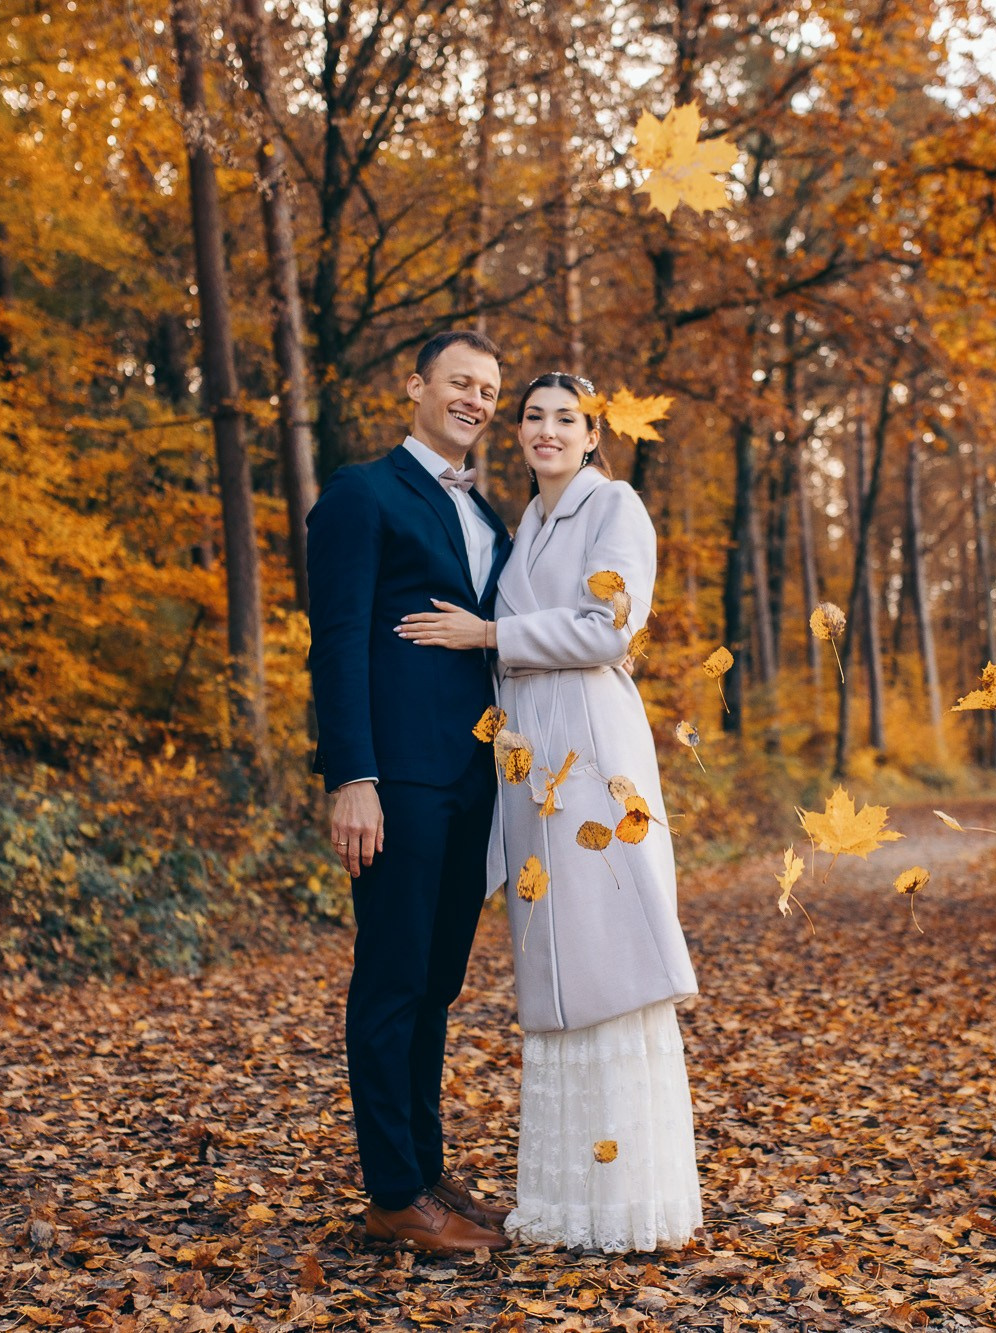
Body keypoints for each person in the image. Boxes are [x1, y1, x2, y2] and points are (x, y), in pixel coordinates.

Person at [397, 372, 703, 1253]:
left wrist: (492, 634)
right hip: (528, 754)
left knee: (605, 957)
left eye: (566, 418)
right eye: (533, 416)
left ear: (591, 431)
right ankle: (568, 1198)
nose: (546, 430)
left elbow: (610, 627)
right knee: (555, 959)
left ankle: (627, 1198)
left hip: (591, 746)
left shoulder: (617, 507)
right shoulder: (523, 520)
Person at [304, 330, 518, 1255]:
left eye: (489, 390)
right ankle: (393, 1193)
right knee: (392, 979)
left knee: (436, 983)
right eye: (460, 382)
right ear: (416, 386)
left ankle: (423, 1168)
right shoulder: (360, 493)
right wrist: (353, 776)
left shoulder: (493, 515)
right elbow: (338, 640)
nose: (475, 399)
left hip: (471, 783)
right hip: (395, 778)